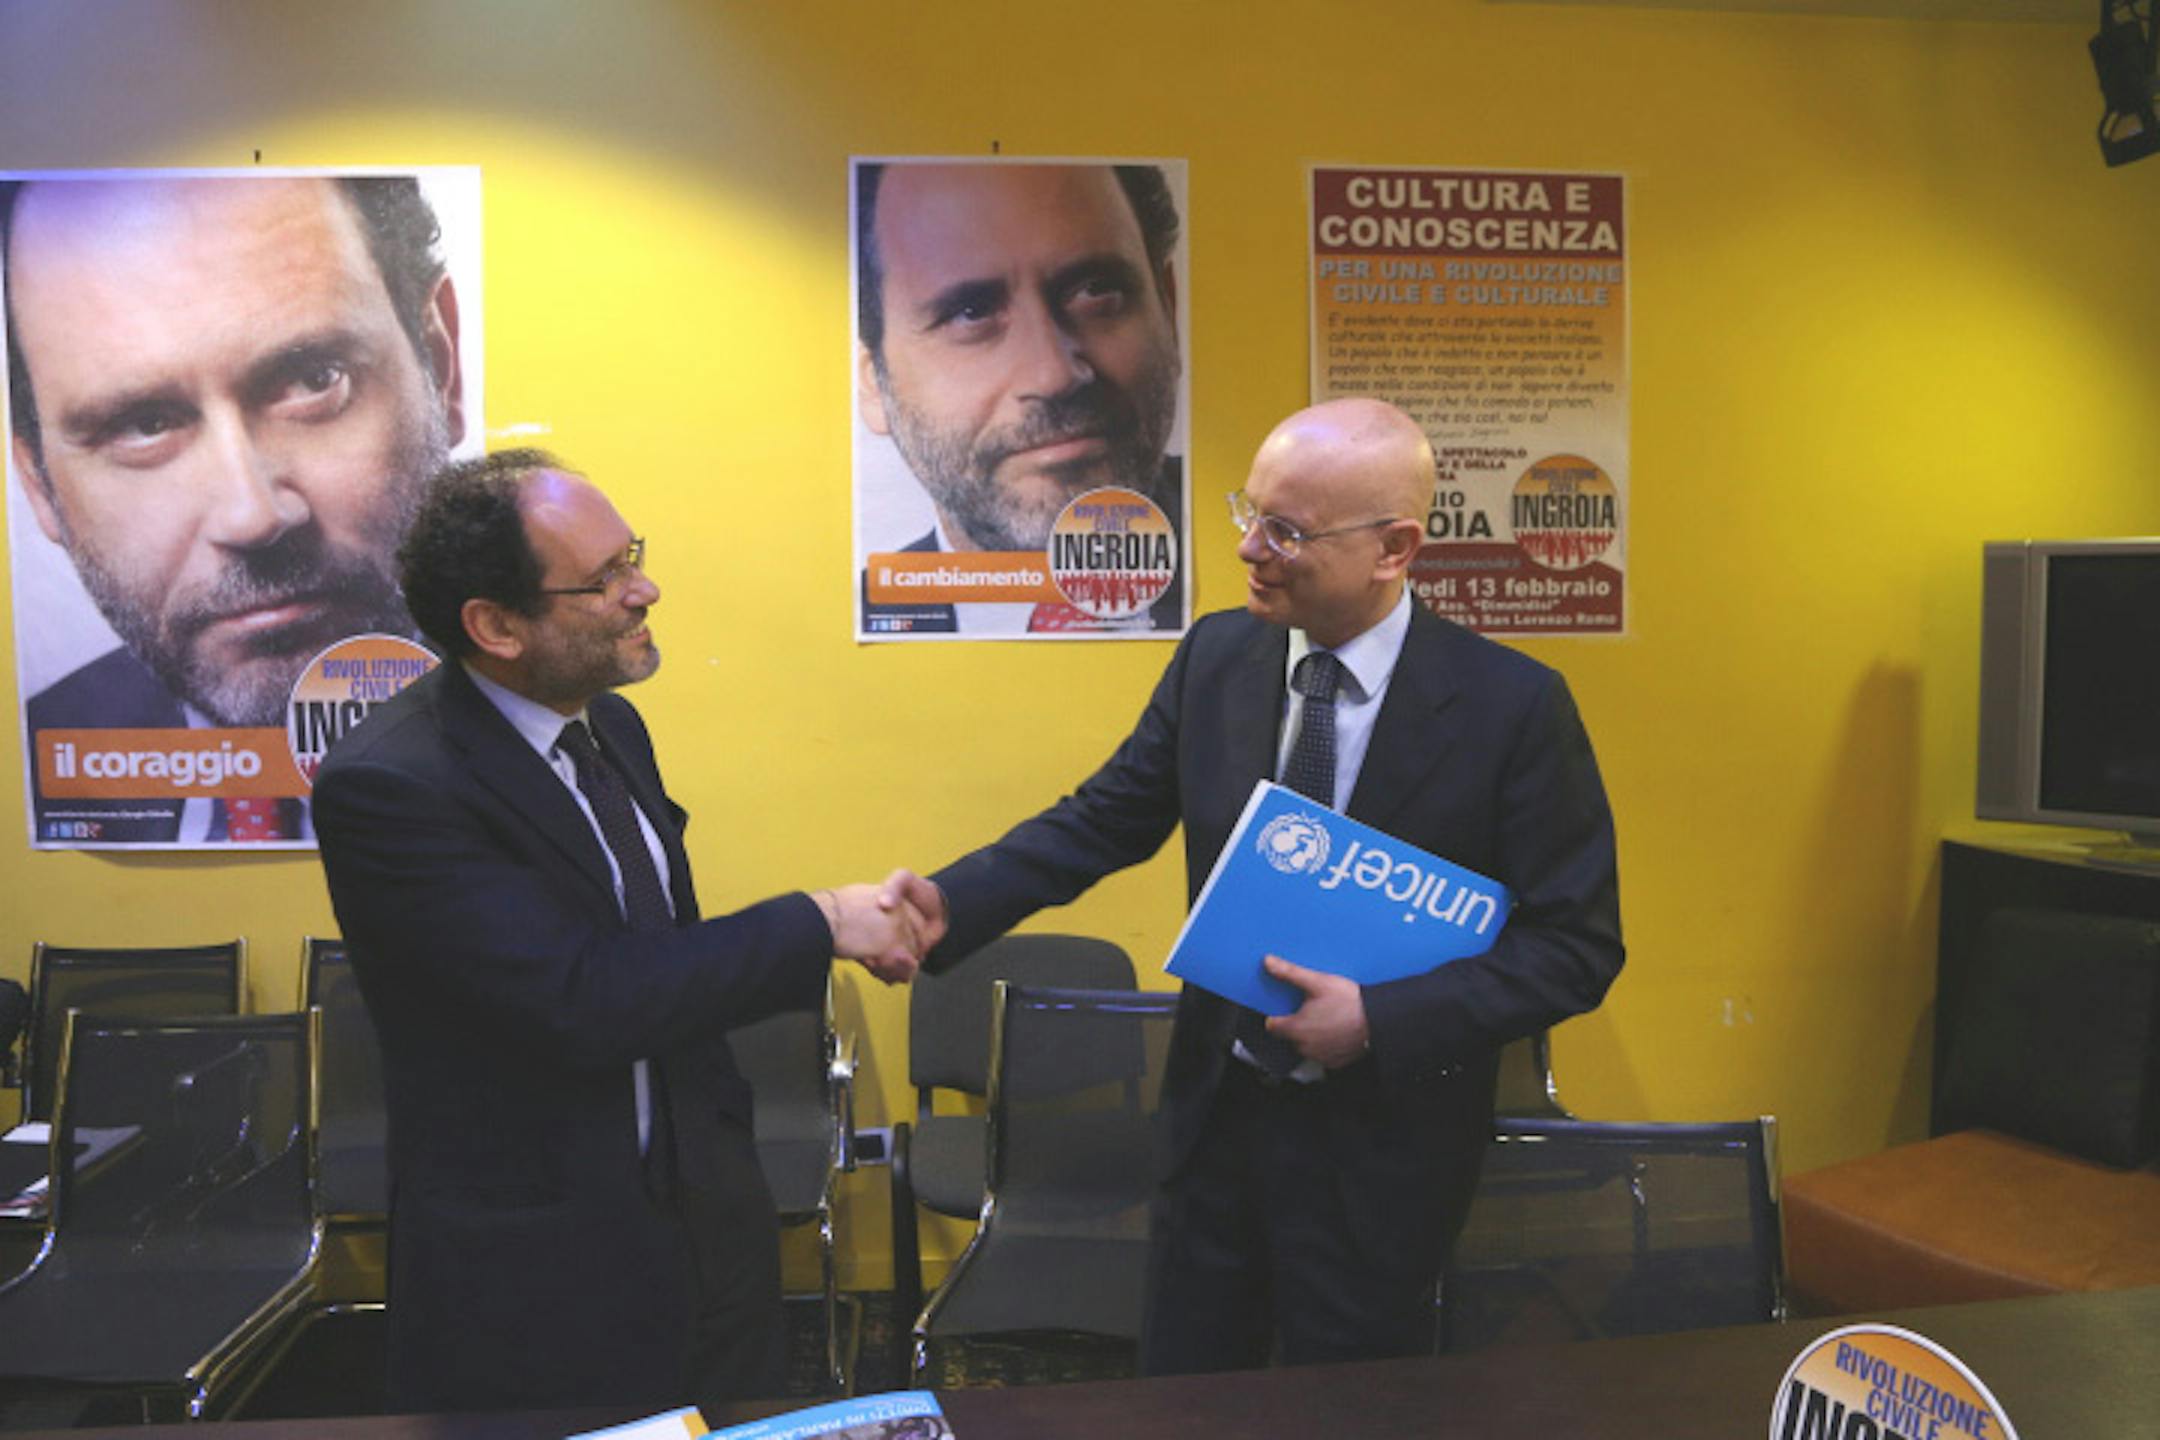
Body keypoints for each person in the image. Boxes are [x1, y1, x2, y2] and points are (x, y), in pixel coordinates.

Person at [903, 398, 1623, 1371]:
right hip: (1217, 1127)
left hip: (1385, 1149)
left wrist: (1379, 1017)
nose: (1249, 547)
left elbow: (1574, 948)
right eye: (1252, 511)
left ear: (1394, 548)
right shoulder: (1217, 656)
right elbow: (1103, 819)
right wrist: (951, 906)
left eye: (1285, 530)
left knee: (1350, 1408)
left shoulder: (1513, 707)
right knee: (1192, 1397)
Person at [312, 449, 941, 1413]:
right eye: (604, 578)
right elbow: (585, 998)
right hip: (539, 1260)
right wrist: (819, 923)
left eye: (631, 555)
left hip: (705, 1216)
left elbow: (666, 957)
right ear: (496, 625)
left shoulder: (611, 727)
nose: (644, 589)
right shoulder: (392, 786)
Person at [3, 173, 465, 842]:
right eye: (143, 423)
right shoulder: (50, 734)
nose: (252, 515)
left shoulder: (561, 730)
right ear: (40, 486)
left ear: (443, 366)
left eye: (315, 381)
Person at [854, 160, 1185, 636]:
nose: (1053, 375)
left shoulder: (1269, 579)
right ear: (874, 383)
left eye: (1097, 291)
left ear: (1169, 312)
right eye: (970, 312)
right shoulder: (826, 639)